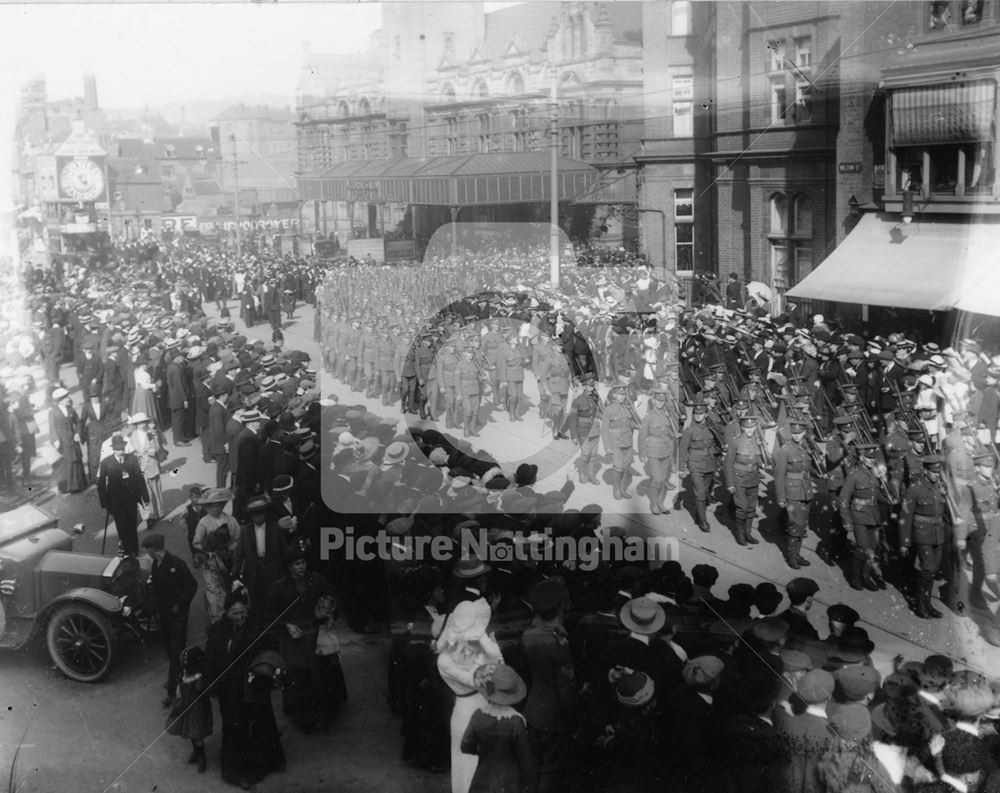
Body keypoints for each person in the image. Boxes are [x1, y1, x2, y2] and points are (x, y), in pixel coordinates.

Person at [205, 591, 286, 790]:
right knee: (236, 728)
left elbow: (270, 647)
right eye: (235, 613)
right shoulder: (217, 631)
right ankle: (241, 773)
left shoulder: (255, 625)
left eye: (243, 612)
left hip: (254, 684)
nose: (241, 617)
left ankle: (268, 763)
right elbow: (211, 660)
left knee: (260, 722)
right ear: (226, 613)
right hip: (231, 689)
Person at [436, 598, 504, 793]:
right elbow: (480, 679)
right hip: (467, 710)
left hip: (481, 703)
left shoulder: (466, 649)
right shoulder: (445, 661)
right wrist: (490, 655)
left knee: (485, 760)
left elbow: (494, 667)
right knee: (467, 763)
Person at [266, 546, 335, 732]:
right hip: (293, 636)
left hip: (314, 632)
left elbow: (331, 595)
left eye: (303, 563)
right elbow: (271, 614)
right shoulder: (280, 586)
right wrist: (287, 625)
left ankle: (323, 713)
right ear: (289, 567)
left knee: (320, 675)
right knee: (299, 677)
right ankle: (304, 717)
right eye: (296, 564)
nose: (301, 567)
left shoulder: (316, 579)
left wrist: (326, 610)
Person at [140, 532, 197, 708]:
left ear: (152, 549)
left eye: (147, 549)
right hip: (165, 614)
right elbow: (157, 589)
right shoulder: (157, 563)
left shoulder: (177, 565)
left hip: (177, 614)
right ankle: (179, 676)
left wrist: (179, 605)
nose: (146, 552)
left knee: (175, 650)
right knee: (169, 648)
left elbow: (191, 586)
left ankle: (173, 692)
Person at [460, 664, 537, 793]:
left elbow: (465, 746)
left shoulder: (478, 715)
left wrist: (482, 750)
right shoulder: (516, 722)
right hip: (508, 783)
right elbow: (526, 760)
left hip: (482, 781)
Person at [898, 456, 949, 620]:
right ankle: (920, 604)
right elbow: (905, 517)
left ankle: (927, 604)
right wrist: (904, 543)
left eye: (938, 471)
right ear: (925, 471)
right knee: (927, 569)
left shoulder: (939, 487)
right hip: (922, 534)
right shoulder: (915, 488)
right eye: (934, 472)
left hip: (938, 534)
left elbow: (945, 511)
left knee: (933, 570)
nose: (937, 475)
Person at [231, 496, 285, 618]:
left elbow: (283, 551)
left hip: (273, 570)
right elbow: (239, 555)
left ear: (265, 513)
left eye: (260, 514)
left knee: (275, 601)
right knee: (256, 603)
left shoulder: (276, 528)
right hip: (254, 572)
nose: (258, 517)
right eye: (254, 515)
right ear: (251, 516)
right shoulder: (245, 531)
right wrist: (234, 576)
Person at [97, 435, 149, 556]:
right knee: (121, 527)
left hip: (130, 499)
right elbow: (101, 483)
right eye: (118, 449)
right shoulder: (106, 462)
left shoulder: (132, 459)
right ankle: (126, 550)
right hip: (115, 502)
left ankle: (134, 551)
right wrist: (104, 502)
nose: (120, 452)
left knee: (132, 526)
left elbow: (139, 478)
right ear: (113, 449)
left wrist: (145, 496)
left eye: (122, 449)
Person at [774, 419, 816, 568]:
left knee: (802, 525)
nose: (797, 436)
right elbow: (779, 476)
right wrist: (780, 497)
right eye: (795, 433)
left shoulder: (805, 448)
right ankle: (792, 558)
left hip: (806, 491)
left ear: (804, 433)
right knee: (795, 524)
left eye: (800, 433)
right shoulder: (785, 450)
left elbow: (807, 468)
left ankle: (797, 555)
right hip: (792, 492)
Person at [166, 646, 213, 774]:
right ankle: (196, 752)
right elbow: (180, 688)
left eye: (187, 667)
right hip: (187, 708)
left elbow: (203, 691)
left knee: (196, 735)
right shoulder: (185, 675)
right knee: (191, 734)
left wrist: (199, 685)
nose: (185, 669)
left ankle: (201, 756)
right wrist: (178, 693)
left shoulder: (198, 677)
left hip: (197, 710)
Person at [725, 415, 765, 546]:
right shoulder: (735, 441)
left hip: (753, 478)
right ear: (742, 427)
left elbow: (759, 458)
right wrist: (730, 483)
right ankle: (740, 535)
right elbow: (728, 464)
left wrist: (763, 463)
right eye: (747, 427)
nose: (749, 430)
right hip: (739, 478)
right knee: (742, 507)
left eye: (752, 427)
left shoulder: (757, 441)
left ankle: (748, 534)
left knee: (751, 507)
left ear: (755, 427)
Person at [637, 384, 675, 515]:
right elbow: (642, 435)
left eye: (662, 401)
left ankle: (660, 503)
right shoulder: (648, 417)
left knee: (663, 479)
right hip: (653, 450)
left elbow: (672, 434)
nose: (660, 403)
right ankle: (654, 503)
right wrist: (642, 453)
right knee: (658, 478)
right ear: (654, 401)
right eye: (658, 400)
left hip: (666, 450)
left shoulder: (667, 416)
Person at [127, 412, 165, 523]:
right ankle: (150, 515)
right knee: (145, 492)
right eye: (139, 423)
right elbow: (131, 450)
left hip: (151, 463)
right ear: (136, 425)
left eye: (143, 422)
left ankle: (160, 512)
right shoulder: (132, 436)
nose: (142, 425)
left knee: (156, 489)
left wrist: (148, 451)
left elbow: (157, 447)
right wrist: (137, 454)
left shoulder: (151, 434)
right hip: (140, 467)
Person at [602, 384, 638, 500]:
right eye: (620, 395)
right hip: (615, 443)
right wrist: (607, 447)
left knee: (626, 467)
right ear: (614, 395)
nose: (622, 397)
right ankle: (616, 489)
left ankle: (623, 489)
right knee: (618, 467)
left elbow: (631, 424)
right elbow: (604, 430)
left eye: (624, 395)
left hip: (627, 442)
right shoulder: (609, 410)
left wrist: (635, 425)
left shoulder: (628, 408)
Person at [49, 386, 88, 493]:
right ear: (60, 401)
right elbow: (52, 428)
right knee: (67, 462)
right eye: (66, 398)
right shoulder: (53, 412)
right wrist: (56, 440)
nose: (68, 399)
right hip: (63, 442)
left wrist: (78, 433)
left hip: (73, 440)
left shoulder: (71, 410)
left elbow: (78, 422)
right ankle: (68, 487)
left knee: (76, 459)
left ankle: (80, 484)